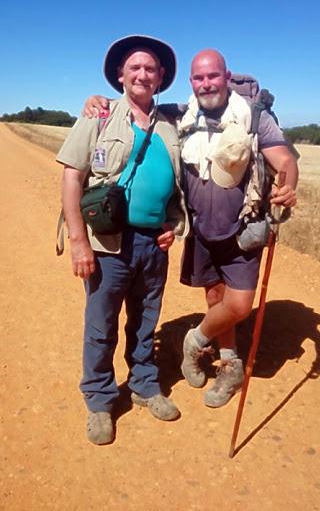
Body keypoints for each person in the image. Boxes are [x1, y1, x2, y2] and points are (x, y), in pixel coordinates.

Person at [83, 48, 298, 410]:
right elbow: (138, 106)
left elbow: (285, 159)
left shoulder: (253, 116)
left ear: (227, 77)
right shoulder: (181, 115)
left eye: (213, 76)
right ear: (190, 83)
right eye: (198, 78)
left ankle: (194, 341)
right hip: (201, 230)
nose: (206, 83)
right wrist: (99, 100)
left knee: (239, 304)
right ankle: (229, 365)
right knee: (215, 298)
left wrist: (288, 185)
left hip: (243, 230)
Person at [57, 35, 189, 445]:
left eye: (150, 68)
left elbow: (180, 183)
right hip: (107, 243)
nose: (142, 74)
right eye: (134, 67)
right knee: (101, 325)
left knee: (146, 321)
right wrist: (78, 242)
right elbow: (72, 176)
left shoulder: (172, 123)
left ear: (162, 76)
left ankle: (145, 384)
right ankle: (99, 398)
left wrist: (173, 222)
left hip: (154, 243)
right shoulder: (98, 116)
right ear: (120, 74)